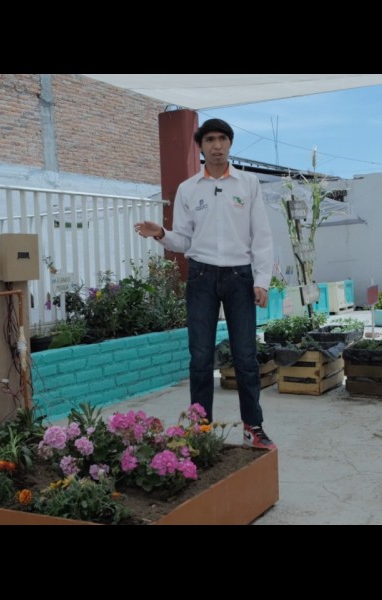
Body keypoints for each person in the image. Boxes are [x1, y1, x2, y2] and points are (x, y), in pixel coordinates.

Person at [134, 118, 276, 449]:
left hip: (240, 277)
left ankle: (252, 427)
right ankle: (200, 429)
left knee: (245, 356)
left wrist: (262, 280)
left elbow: (262, 236)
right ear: (200, 146)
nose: (216, 145)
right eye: (209, 139)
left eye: (222, 139)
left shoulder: (248, 184)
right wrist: (161, 234)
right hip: (201, 277)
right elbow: (184, 241)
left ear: (230, 144)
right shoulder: (188, 189)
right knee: (199, 357)